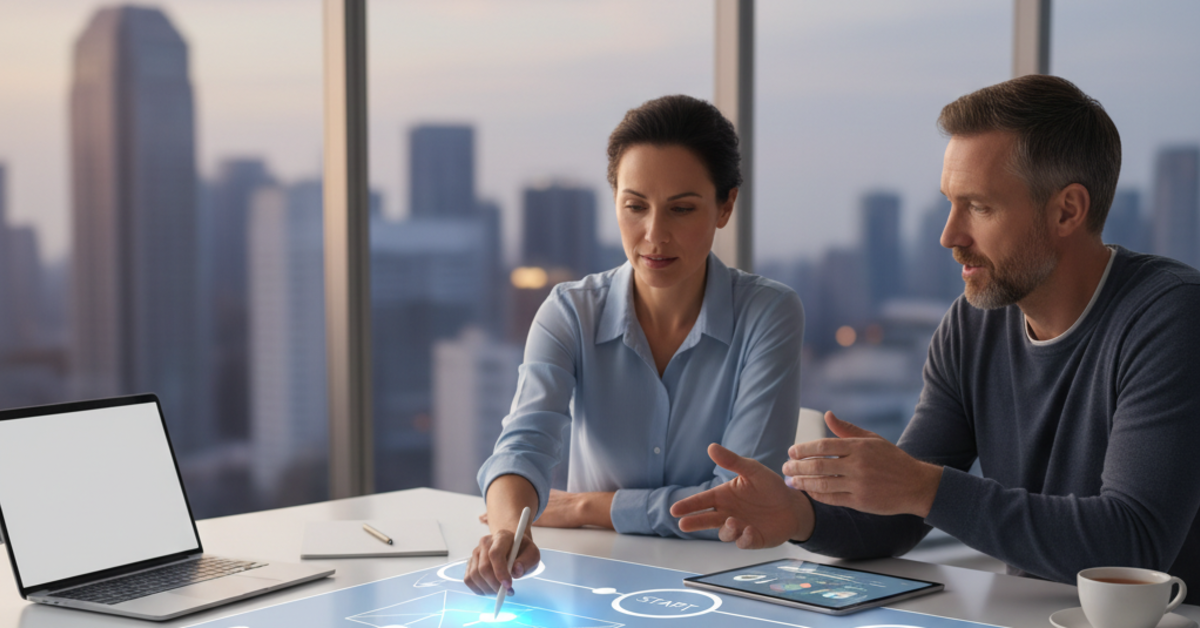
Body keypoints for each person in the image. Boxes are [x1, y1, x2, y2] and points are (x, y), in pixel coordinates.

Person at [671, 74, 1200, 597]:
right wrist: (799, 515)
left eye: (979, 206)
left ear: (1067, 210)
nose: (949, 235)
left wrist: (924, 487)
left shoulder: (1171, 316)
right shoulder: (971, 326)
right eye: (949, 202)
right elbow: (899, 516)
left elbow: (1134, 545)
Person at [464, 94, 804, 597]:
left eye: (682, 209)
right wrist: (506, 532)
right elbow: (523, 446)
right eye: (634, 206)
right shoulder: (569, 313)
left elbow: (740, 503)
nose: (654, 235)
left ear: (725, 205)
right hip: (600, 578)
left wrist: (585, 507)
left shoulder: (768, 314)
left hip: (727, 588)